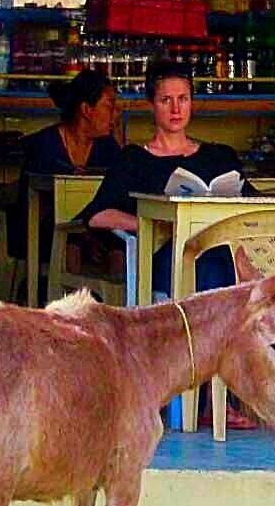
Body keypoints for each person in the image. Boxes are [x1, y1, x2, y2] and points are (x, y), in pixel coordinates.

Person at [82, 58, 253, 426]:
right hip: (166, 258)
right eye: (166, 100)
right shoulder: (134, 160)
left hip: (220, 255)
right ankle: (213, 400)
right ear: (151, 105)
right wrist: (152, 224)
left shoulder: (219, 156)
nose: (176, 109)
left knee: (222, 264)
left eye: (183, 99)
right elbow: (97, 215)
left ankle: (225, 395)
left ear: (193, 103)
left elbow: (252, 205)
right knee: (213, 271)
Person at [9, 69, 122, 291]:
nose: (116, 114)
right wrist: (84, 234)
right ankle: (68, 306)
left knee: (120, 245)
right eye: (110, 106)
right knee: (72, 243)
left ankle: (118, 304)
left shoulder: (107, 147)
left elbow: (116, 194)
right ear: (86, 110)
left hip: (92, 227)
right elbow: (37, 208)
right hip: (42, 231)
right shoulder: (44, 145)